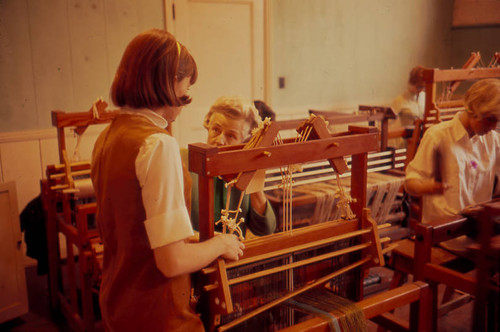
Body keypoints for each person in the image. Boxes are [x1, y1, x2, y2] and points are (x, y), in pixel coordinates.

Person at [90, 29, 244, 332]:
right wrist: (221, 242)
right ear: (167, 84)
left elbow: (136, 232)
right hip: (160, 317)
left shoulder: (107, 136)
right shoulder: (157, 145)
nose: (182, 106)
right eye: (185, 94)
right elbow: (171, 262)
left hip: (119, 306)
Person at [405, 78, 500, 226]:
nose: (494, 127)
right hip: (445, 237)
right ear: (473, 110)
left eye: (497, 121)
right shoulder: (437, 137)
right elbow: (410, 184)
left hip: (478, 234)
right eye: (490, 120)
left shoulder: (493, 141)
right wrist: (427, 187)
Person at [190, 96, 277, 238]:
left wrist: (252, 176)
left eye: (231, 135)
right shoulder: (184, 162)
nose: (220, 140)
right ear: (208, 127)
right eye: (216, 130)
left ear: (244, 141)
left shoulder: (243, 171)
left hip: (233, 256)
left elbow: (266, 229)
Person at [389, 66, 426, 148]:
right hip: (408, 143)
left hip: (424, 142)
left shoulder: (425, 97)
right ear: (411, 83)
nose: (421, 90)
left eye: (423, 87)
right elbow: (388, 122)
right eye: (419, 87)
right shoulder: (400, 100)